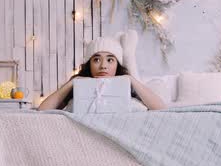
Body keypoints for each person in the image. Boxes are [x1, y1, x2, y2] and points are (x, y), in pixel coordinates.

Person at [38, 32, 166, 111]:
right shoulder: (78, 88)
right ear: (89, 64)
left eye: (110, 60)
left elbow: (161, 109)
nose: (103, 66)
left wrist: (130, 79)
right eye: (97, 60)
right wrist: (73, 82)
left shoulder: (127, 87)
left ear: (117, 65)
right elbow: (42, 110)